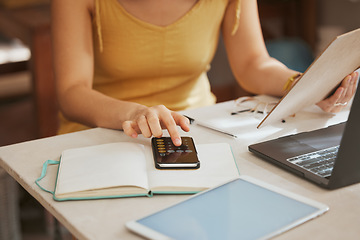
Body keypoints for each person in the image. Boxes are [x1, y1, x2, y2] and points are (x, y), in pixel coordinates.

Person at [51, 0, 358, 146]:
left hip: (195, 128)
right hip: (103, 129)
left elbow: (253, 63)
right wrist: (135, 113)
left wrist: (303, 86)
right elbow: (71, 93)